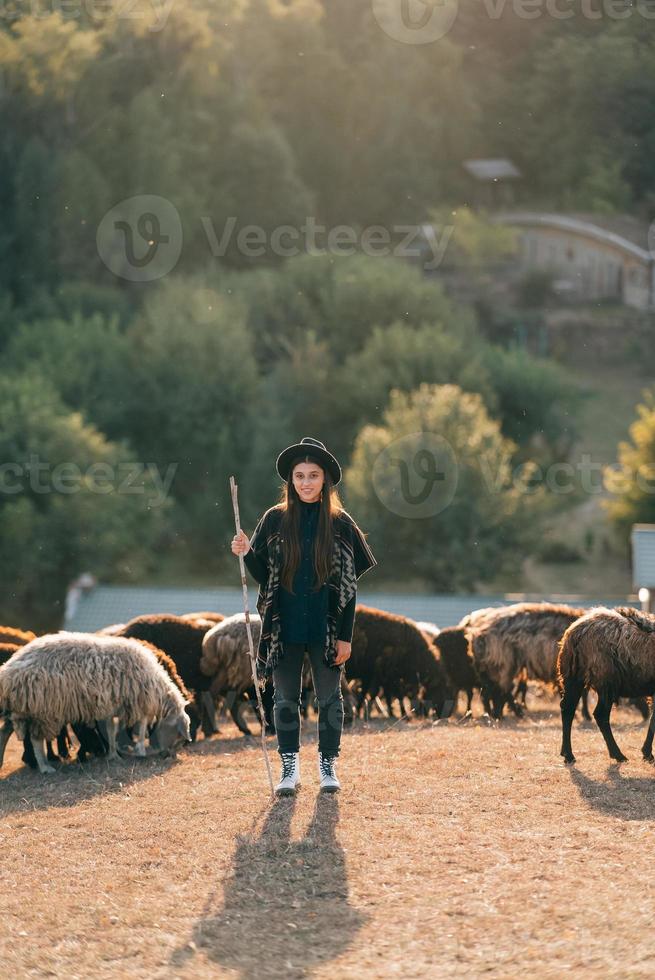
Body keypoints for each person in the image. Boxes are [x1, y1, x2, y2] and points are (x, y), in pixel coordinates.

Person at [231, 437, 377, 796]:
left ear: (325, 479)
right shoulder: (275, 519)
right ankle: (289, 768)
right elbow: (266, 576)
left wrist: (346, 636)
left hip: (326, 628)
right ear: (291, 481)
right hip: (284, 625)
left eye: (313, 475)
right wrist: (247, 551)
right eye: (299, 476)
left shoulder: (340, 523)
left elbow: (348, 589)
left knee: (329, 699)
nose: (306, 482)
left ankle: (328, 765)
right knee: (284, 699)